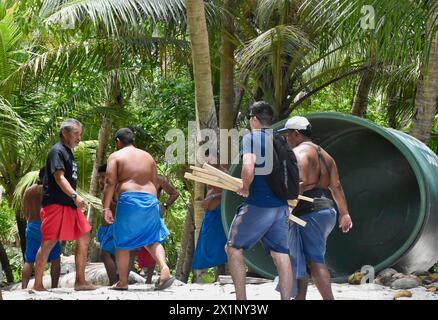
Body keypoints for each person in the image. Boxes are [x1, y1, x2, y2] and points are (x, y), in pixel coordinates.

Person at [278, 115, 353, 300]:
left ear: (296, 133)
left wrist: (286, 209)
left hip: (308, 213)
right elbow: (336, 187)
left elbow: (300, 182)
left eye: (288, 135)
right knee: (301, 259)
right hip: (327, 211)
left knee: (315, 260)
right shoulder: (327, 156)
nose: (287, 139)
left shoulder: (299, 153)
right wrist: (345, 214)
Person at [225, 101, 293, 300]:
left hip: (259, 203)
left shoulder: (251, 137)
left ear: (254, 119)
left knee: (232, 247)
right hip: (281, 206)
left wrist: (245, 187)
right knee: (281, 253)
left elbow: (248, 166)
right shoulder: (280, 139)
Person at [103, 128, 174, 291]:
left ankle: (122, 281)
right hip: (151, 200)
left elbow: (109, 182)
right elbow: (155, 182)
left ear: (118, 142)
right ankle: (164, 267)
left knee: (122, 242)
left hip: (129, 200)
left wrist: (106, 208)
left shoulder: (116, 156)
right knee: (152, 239)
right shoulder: (147, 156)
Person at [33, 119, 96, 291]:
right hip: (54, 204)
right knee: (49, 242)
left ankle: (80, 281)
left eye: (80, 134)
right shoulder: (57, 151)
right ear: (64, 133)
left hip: (69, 205)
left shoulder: (69, 152)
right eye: (76, 134)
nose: (79, 138)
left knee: (84, 235)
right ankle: (37, 284)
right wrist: (75, 196)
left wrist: (76, 198)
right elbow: (59, 177)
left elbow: (67, 180)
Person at [22, 168, 62, 289]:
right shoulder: (50, 190)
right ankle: (54, 287)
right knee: (55, 258)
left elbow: (24, 211)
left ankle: (24, 287)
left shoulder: (28, 191)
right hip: (47, 225)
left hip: (31, 225)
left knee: (29, 260)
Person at [137, 175, 180, 284]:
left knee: (151, 243)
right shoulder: (134, 177)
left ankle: (148, 279)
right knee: (149, 244)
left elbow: (175, 194)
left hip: (149, 213)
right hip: (140, 214)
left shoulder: (158, 179)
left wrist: (164, 206)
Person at [96, 164, 118, 285]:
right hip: (110, 226)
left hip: (112, 225)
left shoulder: (111, 189)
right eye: (99, 177)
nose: (100, 180)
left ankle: (113, 282)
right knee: (112, 255)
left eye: (103, 176)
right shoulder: (112, 188)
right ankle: (116, 281)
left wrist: (104, 227)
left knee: (104, 254)